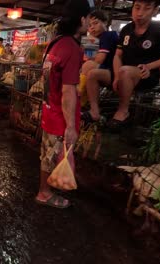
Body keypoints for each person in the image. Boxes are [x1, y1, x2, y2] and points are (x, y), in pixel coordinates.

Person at [35, 0, 92, 209]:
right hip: (59, 116)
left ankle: (48, 187)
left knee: (47, 154)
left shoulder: (55, 43)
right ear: (81, 19)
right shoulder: (72, 48)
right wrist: (70, 126)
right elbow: (68, 90)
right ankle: (44, 192)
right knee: (50, 156)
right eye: (88, 18)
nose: (89, 23)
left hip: (49, 110)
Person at [92, 0, 160, 129]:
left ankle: (123, 112)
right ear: (132, 8)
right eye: (137, 8)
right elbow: (118, 55)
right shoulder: (126, 29)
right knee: (93, 74)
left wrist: (149, 66)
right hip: (122, 73)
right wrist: (116, 76)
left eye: (147, 8)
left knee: (125, 71)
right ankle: (94, 111)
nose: (140, 13)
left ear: (155, 11)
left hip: (146, 76)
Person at [80, 10, 118, 117]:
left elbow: (98, 60)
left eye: (95, 23)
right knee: (86, 66)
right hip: (104, 70)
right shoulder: (93, 38)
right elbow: (87, 59)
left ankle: (80, 98)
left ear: (105, 22)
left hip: (113, 72)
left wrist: (90, 41)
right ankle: (82, 99)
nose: (92, 27)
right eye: (89, 25)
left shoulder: (108, 35)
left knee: (87, 66)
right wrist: (90, 39)